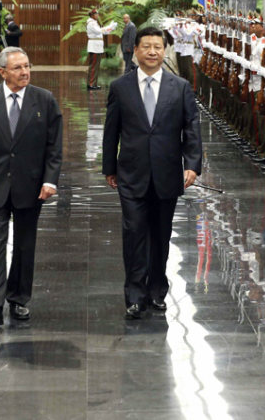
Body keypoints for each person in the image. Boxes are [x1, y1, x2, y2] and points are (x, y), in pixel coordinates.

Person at [102, 26, 203, 320]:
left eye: (157, 47)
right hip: (131, 173)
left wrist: (193, 164)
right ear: (135, 50)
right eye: (146, 46)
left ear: (164, 50)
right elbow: (112, 131)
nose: (152, 52)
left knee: (160, 234)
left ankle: (157, 290)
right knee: (134, 233)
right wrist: (110, 166)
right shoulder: (121, 87)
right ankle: (134, 294)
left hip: (167, 173)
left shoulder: (180, 87)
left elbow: (191, 128)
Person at [0, 47, 63, 326]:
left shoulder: (44, 100)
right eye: (18, 68)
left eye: (27, 66)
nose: (25, 72)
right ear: (2, 72)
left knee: (24, 244)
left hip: (31, 186)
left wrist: (50, 180)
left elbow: (54, 146)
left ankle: (19, 299)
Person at [85, 9, 116, 90]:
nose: (98, 15)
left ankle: (93, 83)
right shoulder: (91, 23)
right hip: (94, 47)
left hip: (97, 47)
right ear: (92, 15)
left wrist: (111, 28)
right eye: (96, 14)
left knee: (96, 66)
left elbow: (103, 32)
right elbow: (98, 31)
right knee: (94, 66)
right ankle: (91, 84)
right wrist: (109, 27)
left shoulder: (94, 23)